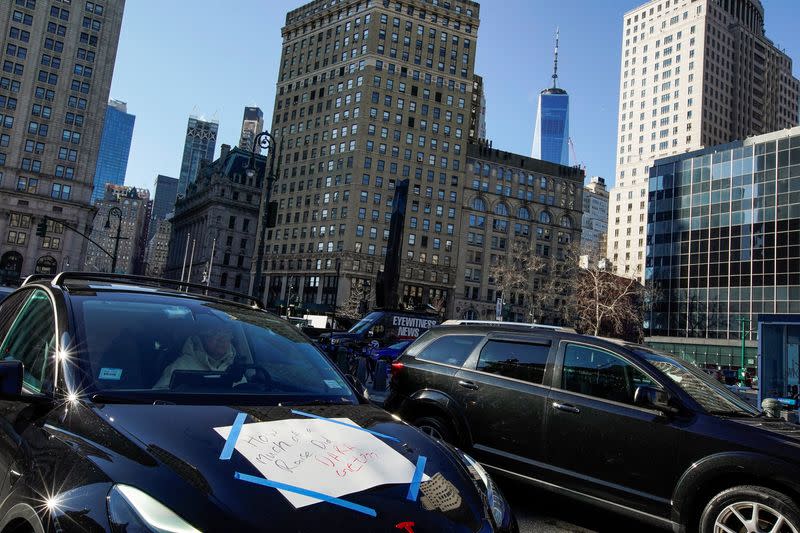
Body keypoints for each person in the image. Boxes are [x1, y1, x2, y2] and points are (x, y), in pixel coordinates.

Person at [155, 318, 238, 388]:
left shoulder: (235, 367)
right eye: (215, 334)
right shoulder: (181, 366)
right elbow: (158, 398)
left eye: (227, 334)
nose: (222, 340)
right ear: (201, 339)